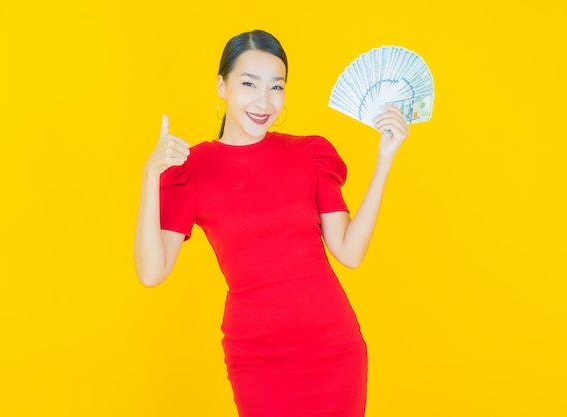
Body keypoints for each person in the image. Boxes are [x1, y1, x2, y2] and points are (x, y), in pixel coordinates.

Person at [133, 29, 410, 417]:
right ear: (222, 86)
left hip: (333, 347)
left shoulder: (310, 153)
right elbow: (151, 271)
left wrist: (385, 159)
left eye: (276, 87)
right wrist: (150, 175)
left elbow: (349, 252)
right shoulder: (192, 169)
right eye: (249, 84)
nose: (264, 102)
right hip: (257, 356)